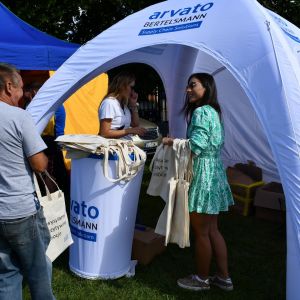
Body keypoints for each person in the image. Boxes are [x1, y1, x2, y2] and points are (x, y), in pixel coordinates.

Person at [163, 73, 234, 292]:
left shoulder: (202, 112)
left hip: (203, 173)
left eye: (193, 85)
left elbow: (197, 145)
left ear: (206, 88)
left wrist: (171, 141)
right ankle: (223, 278)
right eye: (188, 85)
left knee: (202, 232)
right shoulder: (213, 111)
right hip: (214, 172)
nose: (188, 89)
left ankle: (202, 279)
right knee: (212, 230)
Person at [0, 63, 55, 299]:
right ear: (9, 86)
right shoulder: (19, 116)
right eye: (21, 88)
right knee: (38, 271)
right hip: (19, 209)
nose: (23, 94)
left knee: (6, 273)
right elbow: (39, 164)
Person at [99, 71, 146, 138]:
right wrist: (129, 131)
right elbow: (104, 133)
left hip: (125, 145)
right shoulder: (109, 103)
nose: (133, 91)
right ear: (122, 86)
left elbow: (135, 125)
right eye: (131, 87)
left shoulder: (123, 105)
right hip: (114, 146)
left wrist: (133, 105)